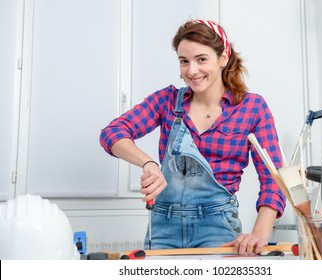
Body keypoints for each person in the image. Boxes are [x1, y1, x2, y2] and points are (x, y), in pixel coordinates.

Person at [100, 19, 286, 255]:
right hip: (163, 229)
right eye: (184, 61)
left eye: (201, 59)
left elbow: (274, 177)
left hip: (218, 230)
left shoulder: (252, 108)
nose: (191, 71)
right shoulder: (166, 101)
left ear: (223, 57)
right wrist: (148, 164)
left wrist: (260, 234)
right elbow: (112, 133)